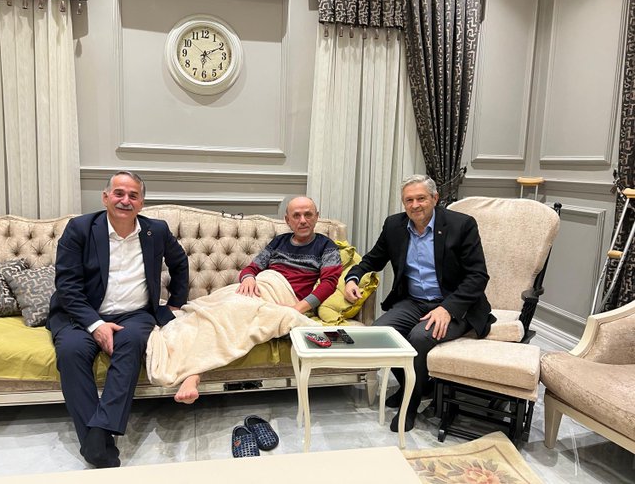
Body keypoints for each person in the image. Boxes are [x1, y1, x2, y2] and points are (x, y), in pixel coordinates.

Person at [47, 171, 189, 468]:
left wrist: (176, 303)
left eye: (133, 195)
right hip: (81, 313)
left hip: (135, 314)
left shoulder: (156, 230)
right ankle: (98, 444)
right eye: (119, 193)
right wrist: (96, 325)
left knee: (132, 344)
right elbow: (67, 286)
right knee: (71, 352)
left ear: (141, 202)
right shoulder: (80, 229)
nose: (126, 200)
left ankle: (98, 434)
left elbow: (179, 262)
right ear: (105, 197)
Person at [343, 174, 495, 432]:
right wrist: (353, 277)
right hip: (413, 302)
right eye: (409, 200)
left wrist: (448, 308)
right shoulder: (394, 225)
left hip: (454, 304)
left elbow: (478, 276)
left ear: (435, 198)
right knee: (380, 334)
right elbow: (373, 259)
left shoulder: (461, 225)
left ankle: (410, 405)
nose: (415, 205)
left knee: (419, 337)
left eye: (421, 198)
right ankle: (417, 387)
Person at [173, 196, 342, 404]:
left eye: (308, 214)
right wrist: (249, 278)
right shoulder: (279, 241)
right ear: (287, 220)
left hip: (283, 294)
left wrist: (297, 308)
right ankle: (189, 365)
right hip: (258, 287)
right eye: (296, 215)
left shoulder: (327, 246)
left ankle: (193, 375)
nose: (303, 220)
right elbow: (251, 268)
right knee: (213, 311)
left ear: (316, 217)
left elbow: (329, 283)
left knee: (231, 314)